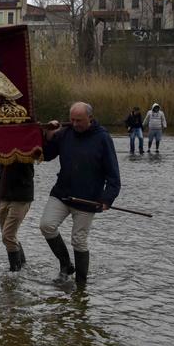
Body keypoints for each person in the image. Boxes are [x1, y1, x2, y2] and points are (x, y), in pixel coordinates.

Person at [39, 102, 121, 286]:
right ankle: (66, 265)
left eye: (79, 120)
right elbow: (46, 155)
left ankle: (81, 286)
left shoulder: (103, 138)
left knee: (78, 240)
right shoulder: (65, 133)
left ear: (90, 118)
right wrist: (48, 136)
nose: (75, 124)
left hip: (88, 199)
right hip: (62, 193)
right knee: (46, 225)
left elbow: (113, 175)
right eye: (72, 120)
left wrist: (107, 199)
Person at [0, 162, 34, 271]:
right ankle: (21, 265)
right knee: (9, 235)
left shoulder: (26, 147)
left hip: (21, 196)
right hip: (4, 194)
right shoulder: (3, 146)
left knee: (7, 236)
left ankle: (15, 271)